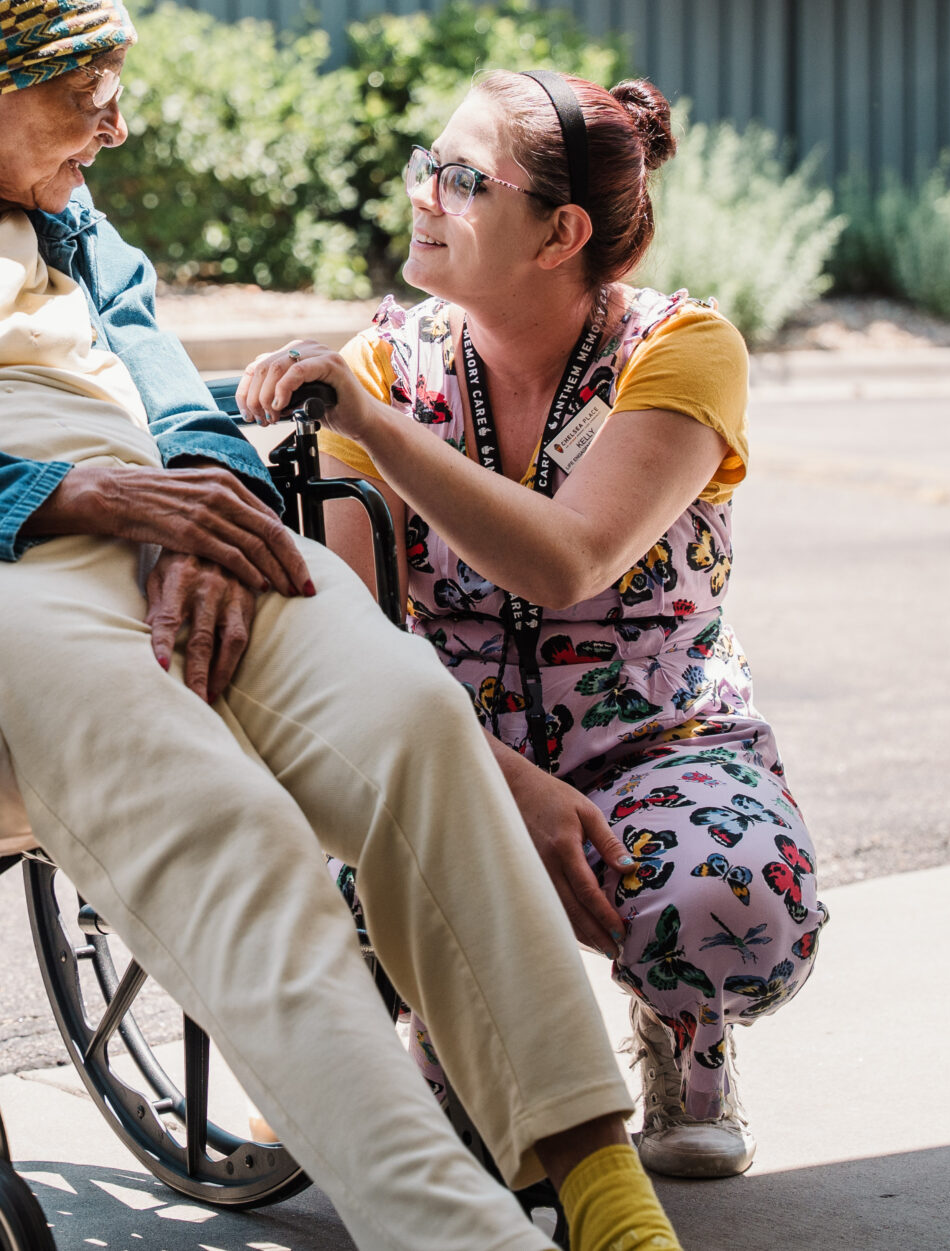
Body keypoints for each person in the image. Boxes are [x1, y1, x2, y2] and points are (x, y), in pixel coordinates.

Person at [0, 0, 682, 1251]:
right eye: (88, 84)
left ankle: (599, 1181)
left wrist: (209, 503)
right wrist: (78, 491)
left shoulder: (75, 222)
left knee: (410, 716)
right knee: (227, 821)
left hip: (159, 511)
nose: (120, 117)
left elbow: (173, 389)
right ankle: (460, 1233)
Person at [237, 67, 825, 1180]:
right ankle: (447, 1036)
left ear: (560, 233)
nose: (422, 196)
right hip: (451, 749)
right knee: (300, 900)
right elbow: (357, 636)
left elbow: (566, 560)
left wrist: (372, 428)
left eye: (459, 180)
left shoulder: (682, 352)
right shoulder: (386, 367)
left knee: (725, 899)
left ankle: (682, 1031)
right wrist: (504, 784)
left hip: (662, 739)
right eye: (427, 166)